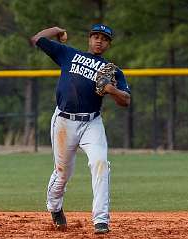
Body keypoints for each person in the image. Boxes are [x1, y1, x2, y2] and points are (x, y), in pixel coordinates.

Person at [30, 23, 131, 234]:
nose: (99, 40)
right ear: (89, 38)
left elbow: (126, 101)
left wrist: (111, 90)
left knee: (100, 162)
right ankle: (55, 208)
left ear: (108, 44)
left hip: (92, 123)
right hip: (64, 122)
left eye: (104, 38)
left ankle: (101, 220)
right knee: (62, 174)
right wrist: (56, 30)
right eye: (95, 36)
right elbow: (37, 39)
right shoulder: (69, 54)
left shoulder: (112, 71)